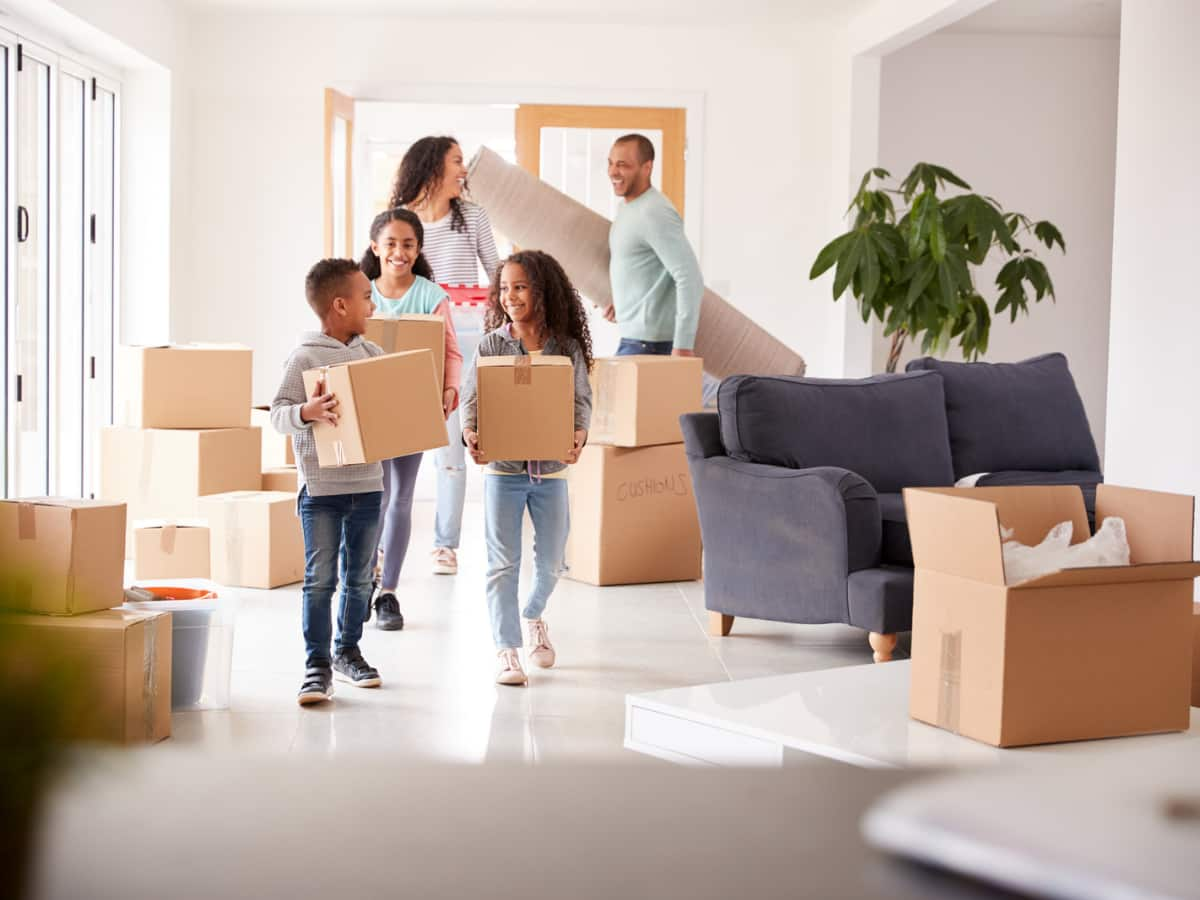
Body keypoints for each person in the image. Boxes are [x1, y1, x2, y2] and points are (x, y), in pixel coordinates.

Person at [460, 250, 592, 686]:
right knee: (502, 565)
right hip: (503, 470)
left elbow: (580, 402)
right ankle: (507, 649)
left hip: (551, 470)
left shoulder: (565, 348)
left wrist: (579, 434)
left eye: (519, 287)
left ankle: (533, 614)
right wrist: (470, 433)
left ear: (542, 291)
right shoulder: (491, 345)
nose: (509, 297)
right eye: (503, 288)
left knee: (553, 563)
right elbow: (472, 400)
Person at [270, 258, 385, 706]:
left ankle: (347, 650)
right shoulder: (304, 357)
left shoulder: (372, 355)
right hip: (321, 492)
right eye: (366, 297)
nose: (372, 305)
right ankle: (316, 664)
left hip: (369, 485)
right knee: (321, 579)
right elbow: (278, 413)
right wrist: (307, 413)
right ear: (340, 305)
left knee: (360, 579)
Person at [392, 136, 501, 576]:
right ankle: (384, 544)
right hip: (414, 338)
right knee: (395, 444)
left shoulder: (472, 217)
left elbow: (498, 275)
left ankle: (445, 545)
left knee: (451, 447)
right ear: (433, 166)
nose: (464, 170)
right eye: (457, 161)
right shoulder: (402, 223)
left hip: (466, 340)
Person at [360, 207, 464, 631]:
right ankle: (363, 581)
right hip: (369, 408)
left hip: (414, 407)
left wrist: (449, 390)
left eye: (408, 245)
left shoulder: (431, 296)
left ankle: (389, 592)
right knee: (373, 498)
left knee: (401, 497)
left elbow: (452, 351)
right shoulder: (361, 292)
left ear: (418, 249)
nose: (399, 253)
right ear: (375, 248)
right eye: (391, 244)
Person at [606, 134, 704, 357]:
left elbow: (690, 277)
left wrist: (683, 344)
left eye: (622, 165)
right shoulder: (627, 209)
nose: (612, 172)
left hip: (650, 344)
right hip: (635, 338)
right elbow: (645, 267)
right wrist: (623, 303)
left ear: (646, 167)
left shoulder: (654, 212)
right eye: (610, 163)